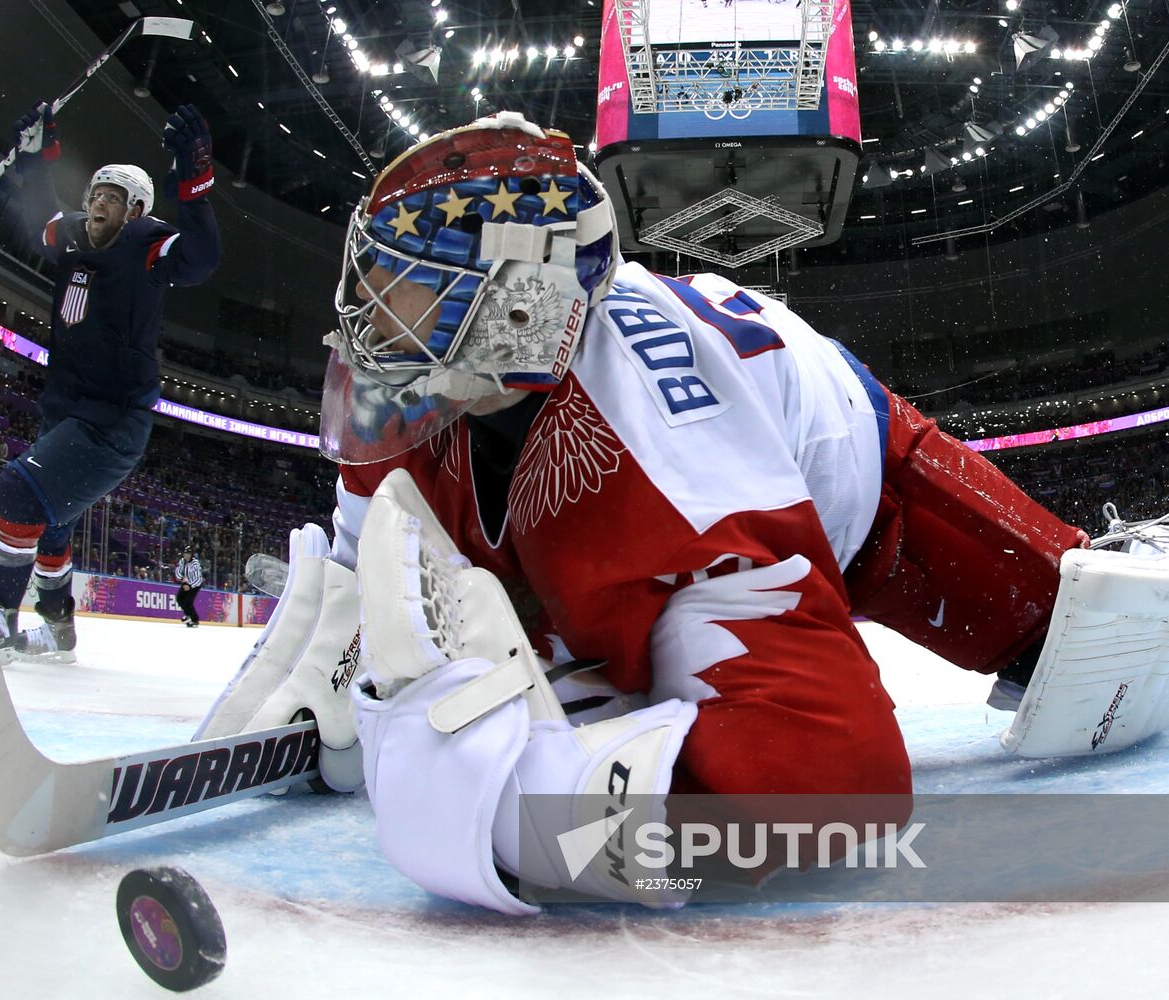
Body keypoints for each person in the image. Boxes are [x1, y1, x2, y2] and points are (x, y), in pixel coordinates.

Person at [304, 112, 1096, 911]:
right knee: (600, 666)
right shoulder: (446, 372)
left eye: (401, 283)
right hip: (666, 479)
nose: (364, 309)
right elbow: (360, 554)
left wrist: (534, 825)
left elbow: (832, 788)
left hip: (861, 488)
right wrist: (324, 654)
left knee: (1084, 639)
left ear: (519, 308)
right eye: (369, 273)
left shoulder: (669, 466)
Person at [0, 102, 220, 663]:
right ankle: (58, 627)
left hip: (112, 423)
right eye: (96, 193)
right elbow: (38, 214)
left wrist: (194, 183)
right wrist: (39, 157)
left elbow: (201, 259)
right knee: (52, 523)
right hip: (64, 409)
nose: (99, 202)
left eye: (114, 197)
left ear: (136, 211)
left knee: (18, 489)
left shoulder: (147, 245)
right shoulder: (70, 234)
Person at [174, 547, 203, 627]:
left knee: (188, 602)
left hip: (195, 584)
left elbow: (198, 578)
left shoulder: (195, 563)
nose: (186, 555)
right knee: (179, 598)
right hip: (185, 582)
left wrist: (190, 586)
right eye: (185, 554)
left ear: (191, 555)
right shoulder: (182, 561)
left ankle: (195, 620)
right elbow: (177, 571)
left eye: (188, 554)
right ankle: (188, 616)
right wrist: (182, 579)